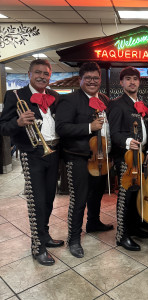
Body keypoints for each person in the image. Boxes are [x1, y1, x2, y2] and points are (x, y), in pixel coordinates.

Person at [0, 59, 64, 266]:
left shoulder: (54, 96)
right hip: (32, 152)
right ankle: (37, 247)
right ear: (29, 74)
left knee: (49, 199)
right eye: (38, 72)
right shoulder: (15, 95)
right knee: (36, 201)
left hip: (53, 152)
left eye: (46, 73)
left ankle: (44, 235)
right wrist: (17, 122)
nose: (42, 77)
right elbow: (3, 127)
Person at [55, 62, 113, 258]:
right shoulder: (69, 100)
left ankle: (93, 223)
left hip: (100, 157)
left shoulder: (104, 99)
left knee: (96, 194)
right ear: (80, 79)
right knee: (79, 200)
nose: (92, 81)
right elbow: (62, 128)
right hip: (78, 158)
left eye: (95, 78)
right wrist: (89, 127)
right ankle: (73, 239)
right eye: (87, 78)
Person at [108, 66, 148, 251]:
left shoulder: (140, 103)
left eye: (135, 79)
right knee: (125, 196)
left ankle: (133, 227)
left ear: (139, 82)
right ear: (121, 82)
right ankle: (121, 235)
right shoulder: (117, 104)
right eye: (128, 79)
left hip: (141, 157)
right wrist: (127, 141)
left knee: (135, 194)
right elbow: (113, 133)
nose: (132, 82)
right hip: (125, 158)